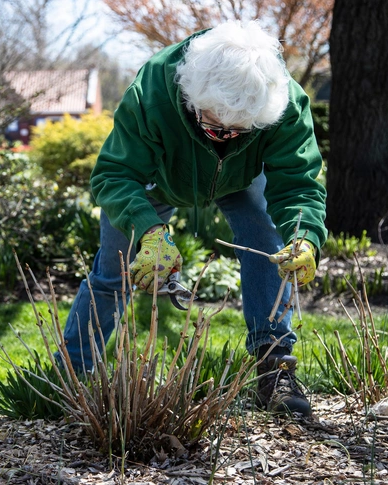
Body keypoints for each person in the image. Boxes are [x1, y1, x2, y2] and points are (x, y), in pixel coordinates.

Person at [59, 21, 326, 417]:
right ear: (191, 95)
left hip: (239, 178)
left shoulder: (284, 102)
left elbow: (297, 183)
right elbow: (114, 174)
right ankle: (71, 376)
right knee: (113, 273)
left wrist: (304, 236)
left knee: (268, 245)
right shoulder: (152, 91)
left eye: (240, 131)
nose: (224, 138)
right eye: (215, 126)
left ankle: (274, 366)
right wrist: (148, 230)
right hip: (157, 178)